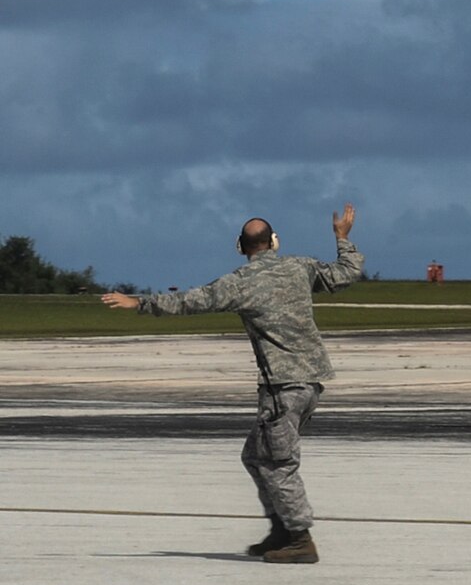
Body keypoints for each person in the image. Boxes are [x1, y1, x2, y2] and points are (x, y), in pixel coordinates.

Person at [101, 205, 365, 564]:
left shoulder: (240, 284)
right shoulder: (300, 267)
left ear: (240, 248)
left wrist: (140, 303)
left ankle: (300, 540)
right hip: (311, 382)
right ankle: (280, 529)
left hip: (282, 390)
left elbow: (190, 301)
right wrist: (342, 238)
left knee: (277, 463)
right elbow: (347, 272)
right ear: (274, 243)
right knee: (255, 455)